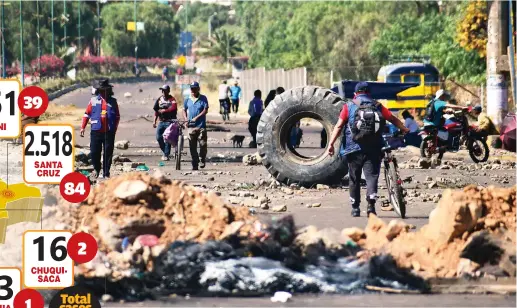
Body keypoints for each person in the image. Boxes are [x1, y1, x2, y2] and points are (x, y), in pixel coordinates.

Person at [327, 82, 409, 217]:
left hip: (353, 148)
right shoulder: (377, 105)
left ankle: (355, 208)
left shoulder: (349, 105)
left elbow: (339, 125)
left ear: (355, 93)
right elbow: (392, 118)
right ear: (369, 93)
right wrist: (404, 128)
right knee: (372, 177)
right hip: (374, 147)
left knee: (354, 178)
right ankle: (371, 207)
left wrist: (331, 144)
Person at [80, 79, 120, 179]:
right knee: (94, 153)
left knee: (108, 153)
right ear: (98, 90)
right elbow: (86, 114)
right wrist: (82, 127)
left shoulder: (113, 102)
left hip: (109, 132)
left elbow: (117, 116)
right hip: (96, 131)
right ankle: (97, 169)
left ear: (108, 90)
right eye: (101, 90)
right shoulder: (93, 101)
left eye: (105, 90)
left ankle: (106, 173)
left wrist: (114, 128)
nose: (103, 92)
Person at [184, 81, 209, 170]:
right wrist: (186, 119)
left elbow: (205, 110)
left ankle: (202, 158)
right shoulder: (187, 99)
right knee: (192, 147)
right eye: (192, 88)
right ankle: (195, 163)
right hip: (191, 127)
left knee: (203, 145)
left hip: (201, 126)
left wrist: (197, 117)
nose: (193, 90)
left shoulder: (203, 98)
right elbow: (184, 110)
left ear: (198, 89)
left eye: (195, 88)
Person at [153, 85, 178, 161]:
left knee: (167, 138)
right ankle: (166, 152)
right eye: (162, 90)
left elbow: (174, 107)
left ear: (168, 91)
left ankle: (166, 155)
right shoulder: (159, 99)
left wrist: (165, 110)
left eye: (165, 90)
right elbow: (156, 111)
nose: (163, 92)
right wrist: (154, 121)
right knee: (158, 137)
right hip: (161, 121)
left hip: (170, 122)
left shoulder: (172, 99)